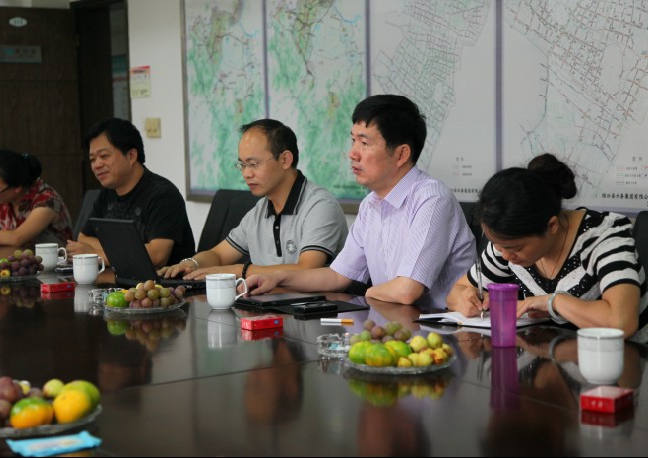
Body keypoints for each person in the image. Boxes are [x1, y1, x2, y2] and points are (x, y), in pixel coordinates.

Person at [243, 95, 476, 305]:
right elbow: (337, 276)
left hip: (443, 330)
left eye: (364, 143)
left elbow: (406, 291)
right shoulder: (371, 204)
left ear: (401, 154)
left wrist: (367, 294)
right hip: (395, 326)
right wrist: (277, 278)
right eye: (353, 141)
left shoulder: (432, 199)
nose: (352, 153)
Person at [446, 153, 648, 343]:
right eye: (499, 246)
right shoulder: (505, 242)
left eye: (515, 248)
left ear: (552, 226)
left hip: (623, 361)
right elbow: (456, 292)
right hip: (552, 356)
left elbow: (622, 322)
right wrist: (466, 300)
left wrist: (553, 302)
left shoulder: (604, 236)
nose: (506, 256)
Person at [158, 119, 348, 280]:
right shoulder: (260, 210)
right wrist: (191, 263)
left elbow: (307, 269)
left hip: (313, 309)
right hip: (266, 306)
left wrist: (240, 270)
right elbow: (219, 255)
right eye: (242, 164)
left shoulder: (320, 206)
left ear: (285, 160)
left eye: (253, 164)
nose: (246, 174)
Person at [66, 118, 196, 267]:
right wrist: (127, 251)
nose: (97, 165)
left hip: (164, 280)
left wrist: (96, 254)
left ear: (131, 156)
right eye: (92, 159)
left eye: (104, 156)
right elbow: (84, 238)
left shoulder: (162, 194)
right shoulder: (108, 193)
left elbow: (157, 255)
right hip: (119, 277)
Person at [0, 149, 73, 247]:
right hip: (18, 255)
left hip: (55, 256)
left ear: (17, 187)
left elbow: (17, 238)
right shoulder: (2, 199)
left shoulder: (46, 200)